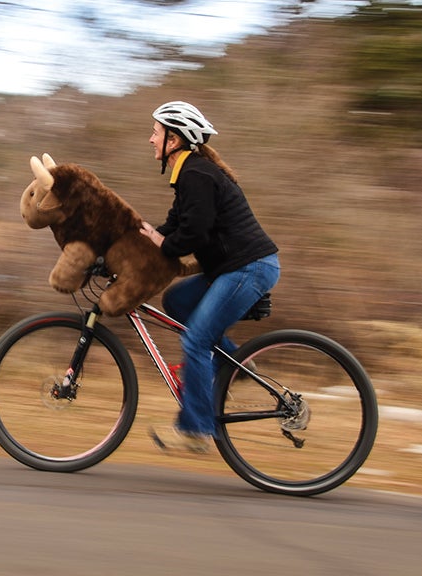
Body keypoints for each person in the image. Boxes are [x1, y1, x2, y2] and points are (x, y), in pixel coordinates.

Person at [140, 101, 280, 453]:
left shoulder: (197, 175)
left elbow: (192, 236)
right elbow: (174, 225)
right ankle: (238, 366)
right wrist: (135, 241)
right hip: (232, 269)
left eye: (156, 133)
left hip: (249, 268)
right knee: (176, 301)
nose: (150, 139)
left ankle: (196, 429)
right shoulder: (189, 174)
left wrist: (162, 243)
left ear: (174, 140)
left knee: (197, 341)